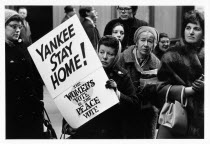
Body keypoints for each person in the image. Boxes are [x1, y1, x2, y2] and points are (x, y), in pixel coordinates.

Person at [62, 35, 139, 138]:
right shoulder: (85, 71)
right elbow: (73, 99)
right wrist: (68, 126)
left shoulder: (122, 75)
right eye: (101, 52)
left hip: (111, 133)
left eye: (110, 54)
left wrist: (117, 93)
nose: (105, 57)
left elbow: (134, 104)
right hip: (86, 132)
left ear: (116, 55)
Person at [156, 10, 204, 139]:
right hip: (176, 118)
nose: (191, 32)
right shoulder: (170, 55)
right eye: (188, 28)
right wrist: (189, 90)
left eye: (196, 28)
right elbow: (159, 88)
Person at [5, 9, 44, 139]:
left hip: (31, 107)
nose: (17, 30)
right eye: (13, 26)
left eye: (19, 27)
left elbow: (35, 76)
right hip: (11, 112)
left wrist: (40, 100)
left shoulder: (25, 46)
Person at [119, 26, 160, 138]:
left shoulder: (157, 64)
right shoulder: (123, 58)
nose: (146, 44)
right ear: (136, 41)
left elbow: (160, 91)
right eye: (142, 40)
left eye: (150, 41)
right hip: (125, 111)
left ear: (154, 44)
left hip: (147, 114)